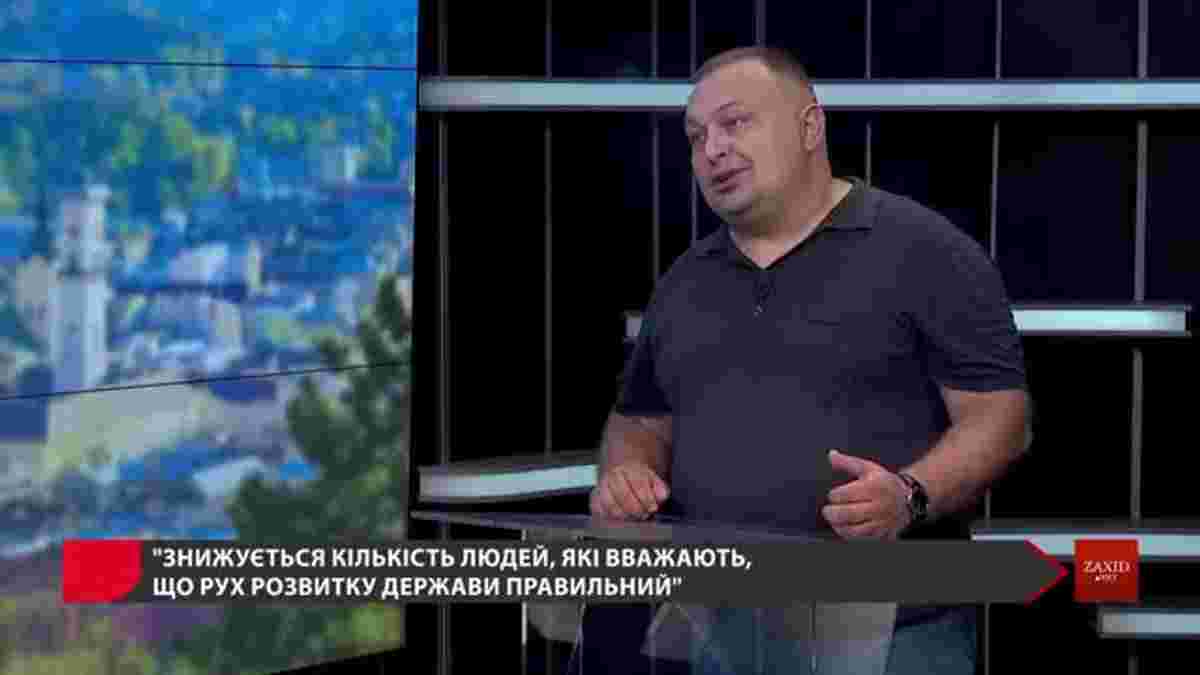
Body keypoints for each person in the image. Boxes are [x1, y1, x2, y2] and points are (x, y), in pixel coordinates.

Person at [590, 46, 1032, 674]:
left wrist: (910, 494)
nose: (712, 149)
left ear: (809, 127)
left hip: (895, 635)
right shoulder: (684, 281)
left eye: (735, 122)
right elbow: (639, 420)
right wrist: (626, 472)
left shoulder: (928, 252)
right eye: (696, 136)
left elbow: (1002, 421)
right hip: (720, 634)